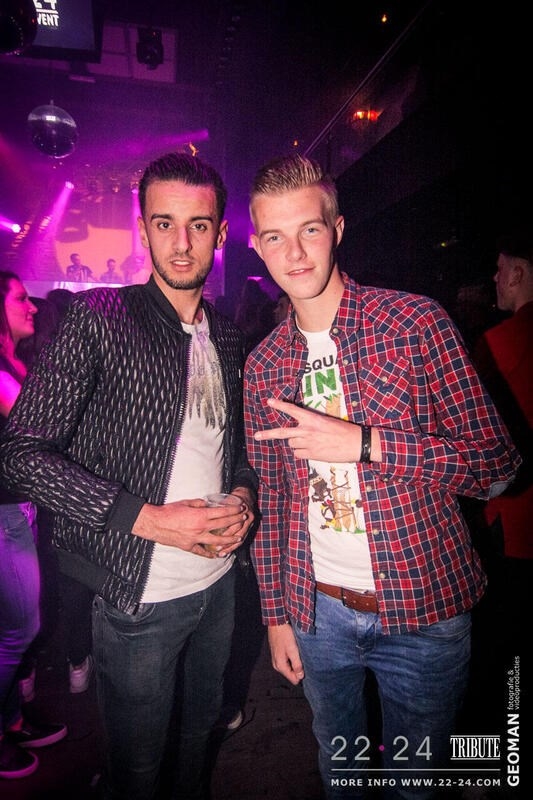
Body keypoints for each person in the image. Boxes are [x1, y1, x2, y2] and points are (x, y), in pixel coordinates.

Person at [242, 155, 521, 800]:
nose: (295, 253)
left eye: (310, 230)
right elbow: (276, 501)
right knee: (340, 774)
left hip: (423, 611)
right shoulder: (262, 366)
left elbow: (498, 466)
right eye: (275, 237)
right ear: (257, 247)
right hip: (318, 613)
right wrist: (277, 616)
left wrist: (366, 444)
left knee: (413, 786)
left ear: (337, 229)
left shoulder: (415, 325)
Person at [0, 152, 257, 800]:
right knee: (137, 773)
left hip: (220, 588)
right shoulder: (100, 319)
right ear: (142, 230)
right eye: (164, 223)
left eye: (198, 225)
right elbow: (19, 452)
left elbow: (235, 450)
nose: (181, 242)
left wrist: (245, 494)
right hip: (137, 597)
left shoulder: (228, 338)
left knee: (197, 742)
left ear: (221, 233)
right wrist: (149, 520)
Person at [0, 271, 67, 780]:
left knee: (14, 626)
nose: (34, 307)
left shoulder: (12, 363)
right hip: (3, 517)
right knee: (21, 629)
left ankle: (13, 721)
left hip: (18, 511)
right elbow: (42, 426)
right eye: (21, 298)